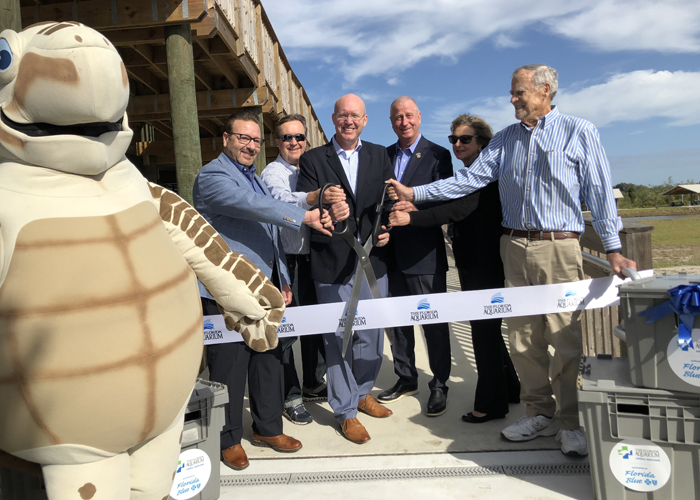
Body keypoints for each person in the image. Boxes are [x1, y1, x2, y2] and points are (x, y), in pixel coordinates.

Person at [386, 64, 637, 457]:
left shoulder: (579, 131)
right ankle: (540, 412)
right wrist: (415, 192)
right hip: (513, 248)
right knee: (522, 340)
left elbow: (599, 190)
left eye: (519, 92)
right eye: (513, 92)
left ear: (545, 90)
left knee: (564, 339)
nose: (513, 99)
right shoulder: (504, 140)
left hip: (558, 246)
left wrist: (613, 248)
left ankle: (570, 422)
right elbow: (468, 180)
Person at [193, 110, 336, 471]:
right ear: (225, 139)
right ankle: (228, 439)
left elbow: (271, 236)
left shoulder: (253, 177)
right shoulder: (213, 175)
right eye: (243, 138)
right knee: (229, 367)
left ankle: (268, 428)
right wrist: (303, 214)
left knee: (269, 360)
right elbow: (253, 207)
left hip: (263, 288)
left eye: (255, 140)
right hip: (225, 291)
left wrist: (282, 278)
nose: (250, 146)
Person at [389, 113, 521, 423]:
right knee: (486, 326)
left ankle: (490, 404)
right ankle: (511, 388)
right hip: (472, 258)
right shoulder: (470, 172)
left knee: (483, 329)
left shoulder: (484, 174)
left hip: (485, 259)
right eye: (454, 139)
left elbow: (459, 208)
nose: (458, 144)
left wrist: (412, 216)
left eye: (465, 139)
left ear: (482, 143)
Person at [297, 94, 393, 444]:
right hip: (331, 262)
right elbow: (306, 202)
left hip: (372, 260)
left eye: (355, 116)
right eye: (342, 116)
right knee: (335, 337)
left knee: (371, 334)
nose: (349, 121)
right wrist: (323, 204)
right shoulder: (312, 159)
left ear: (365, 120)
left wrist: (386, 231)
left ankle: (363, 391)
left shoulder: (380, 155)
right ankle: (345, 411)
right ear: (333, 118)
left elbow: (387, 203)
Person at [261, 114, 346, 424]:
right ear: (277, 142)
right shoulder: (273, 172)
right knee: (286, 333)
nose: (293, 142)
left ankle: (312, 382)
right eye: (287, 137)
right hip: (287, 261)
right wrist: (315, 197)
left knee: (315, 326)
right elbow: (282, 201)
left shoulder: (310, 167)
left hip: (315, 258)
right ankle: (291, 396)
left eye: (299, 137)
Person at [377, 96, 453, 417]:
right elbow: (375, 200)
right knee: (396, 323)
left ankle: (439, 382)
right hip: (389, 254)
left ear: (419, 117)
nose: (404, 121)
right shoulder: (383, 155)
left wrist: (414, 205)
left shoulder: (438, 155)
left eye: (409, 115)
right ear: (391, 121)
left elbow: (445, 201)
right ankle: (406, 377)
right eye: (397, 117)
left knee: (432, 323)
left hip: (425, 254)